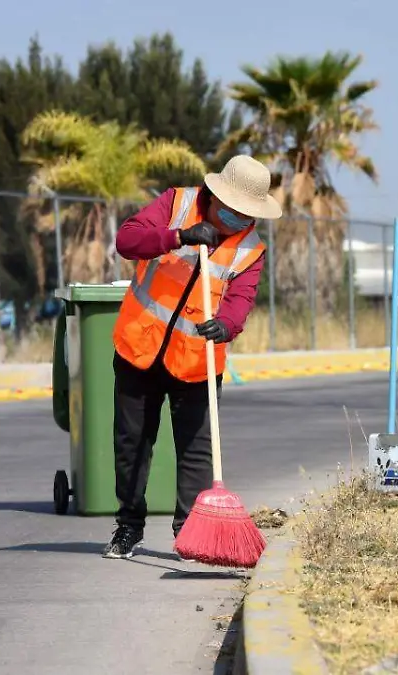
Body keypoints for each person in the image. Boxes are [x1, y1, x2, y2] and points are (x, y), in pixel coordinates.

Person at [102, 155, 282, 560]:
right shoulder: (175, 204)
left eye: (246, 216)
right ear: (214, 196)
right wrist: (179, 236)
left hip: (197, 362)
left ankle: (191, 534)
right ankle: (128, 528)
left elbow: (241, 300)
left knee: (197, 452)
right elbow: (127, 241)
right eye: (231, 213)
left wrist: (227, 326)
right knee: (132, 444)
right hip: (139, 348)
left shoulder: (251, 249)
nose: (237, 221)